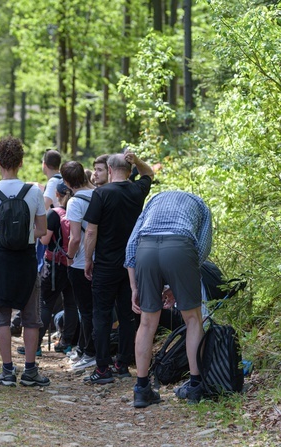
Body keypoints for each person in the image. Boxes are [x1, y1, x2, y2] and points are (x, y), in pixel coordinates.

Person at [124, 191, 212, 407]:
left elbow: (131, 245)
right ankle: (195, 385)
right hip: (180, 246)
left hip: (146, 249)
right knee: (193, 319)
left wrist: (134, 287)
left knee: (146, 322)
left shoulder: (153, 201)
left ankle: (142, 389)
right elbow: (202, 246)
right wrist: (178, 283)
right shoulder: (200, 205)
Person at [0, 136, 49, 388]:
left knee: (0, 316)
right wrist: (25, 232)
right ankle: (30, 371)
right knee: (31, 316)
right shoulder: (34, 193)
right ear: (21, 162)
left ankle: (7, 371)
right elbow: (42, 230)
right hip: (26, 259)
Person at [82, 152, 154, 384]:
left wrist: (88, 259)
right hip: (132, 263)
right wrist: (138, 162)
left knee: (101, 315)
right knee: (127, 315)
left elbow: (91, 231)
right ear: (128, 169)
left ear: (110, 170)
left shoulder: (101, 193)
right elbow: (149, 173)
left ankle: (103, 368)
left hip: (106, 264)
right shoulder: (137, 191)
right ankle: (122, 364)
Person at [60, 161, 97, 370]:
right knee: (96, 308)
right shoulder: (98, 194)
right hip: (101, 259)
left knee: (85, 309)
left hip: (82, 261)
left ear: (66, 181)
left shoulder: (74, 202)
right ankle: (86, 348)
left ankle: (89, 352)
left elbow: (75, 238)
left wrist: (69, 257)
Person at [37, 177, 78, 355]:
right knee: (70, 305)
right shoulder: (77, 212)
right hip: (73, 263)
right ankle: (66, 343)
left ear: (56, 195)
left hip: (53, 266)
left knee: (45, 305)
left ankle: (35, 346)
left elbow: (45, 239)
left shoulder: (53, 214)